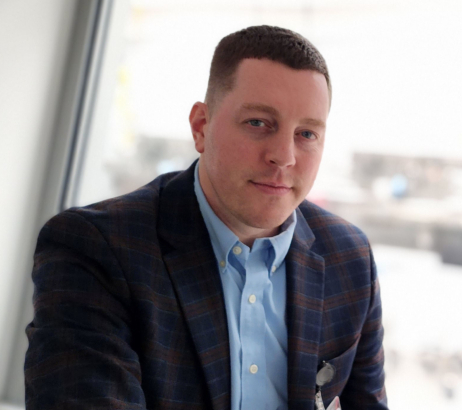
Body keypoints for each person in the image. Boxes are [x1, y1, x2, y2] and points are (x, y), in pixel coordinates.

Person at [24, 25, 388, 410]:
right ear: (201, 126)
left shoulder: (350, 258)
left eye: (307, 134)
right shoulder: (97, 249)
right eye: (258, 123)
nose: (284, 156)